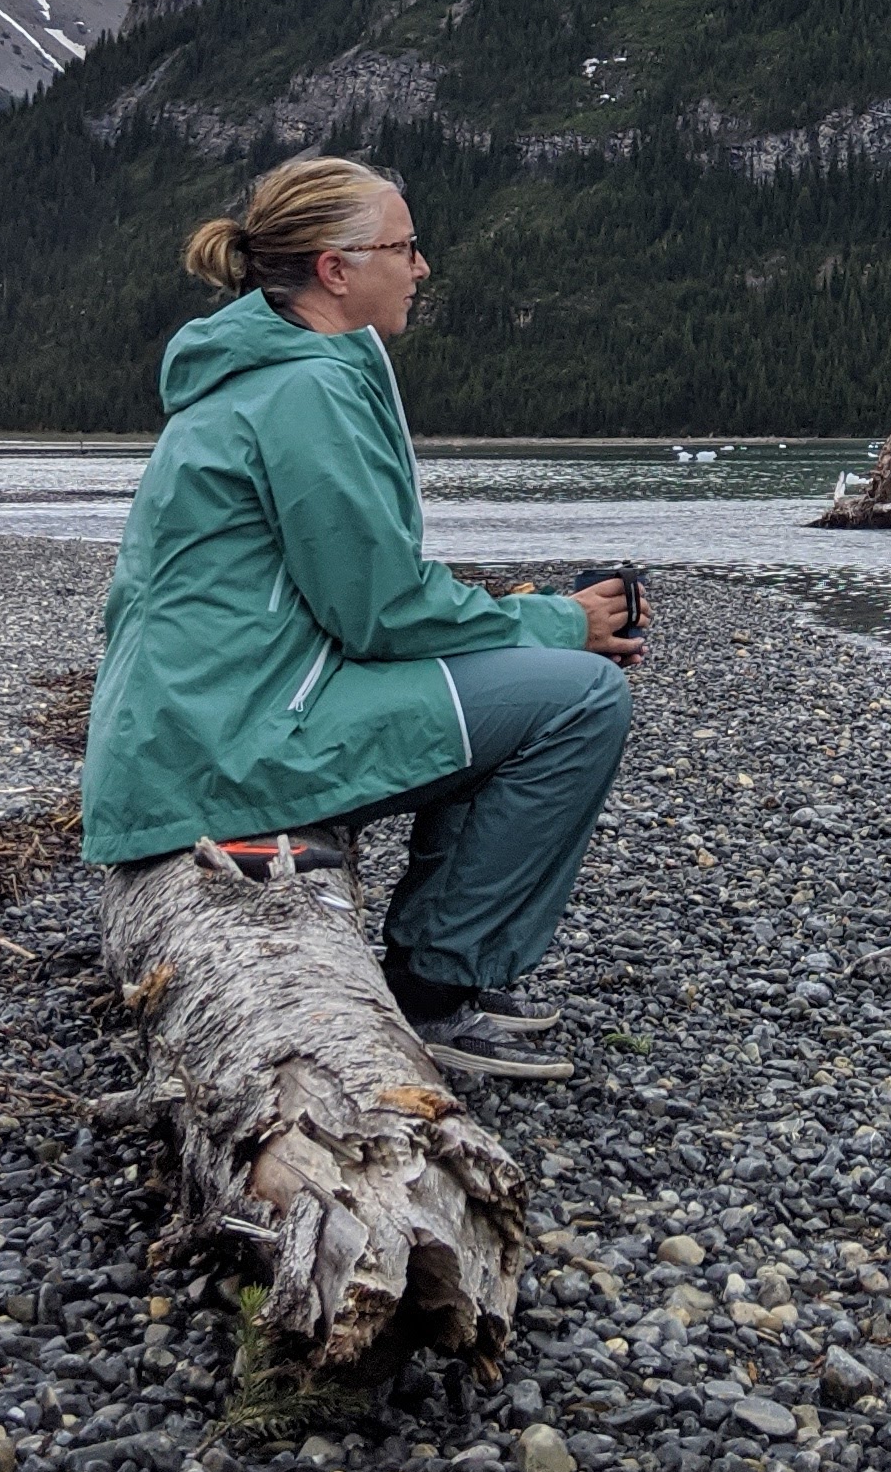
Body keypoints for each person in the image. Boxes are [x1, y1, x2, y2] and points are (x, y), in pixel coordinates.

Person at [81, 152, 640, 1082]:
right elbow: (382, 611)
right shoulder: (307, 391)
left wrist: (528, 617)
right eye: (406, 247)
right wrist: (556, 623)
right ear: (337, 270)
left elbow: (360, 597)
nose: (421, 268)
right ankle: (433, 993)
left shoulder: (276, 370)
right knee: (578, 699)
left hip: (195, 728)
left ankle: (442, 967)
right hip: (229, 743)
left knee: (516, 688)